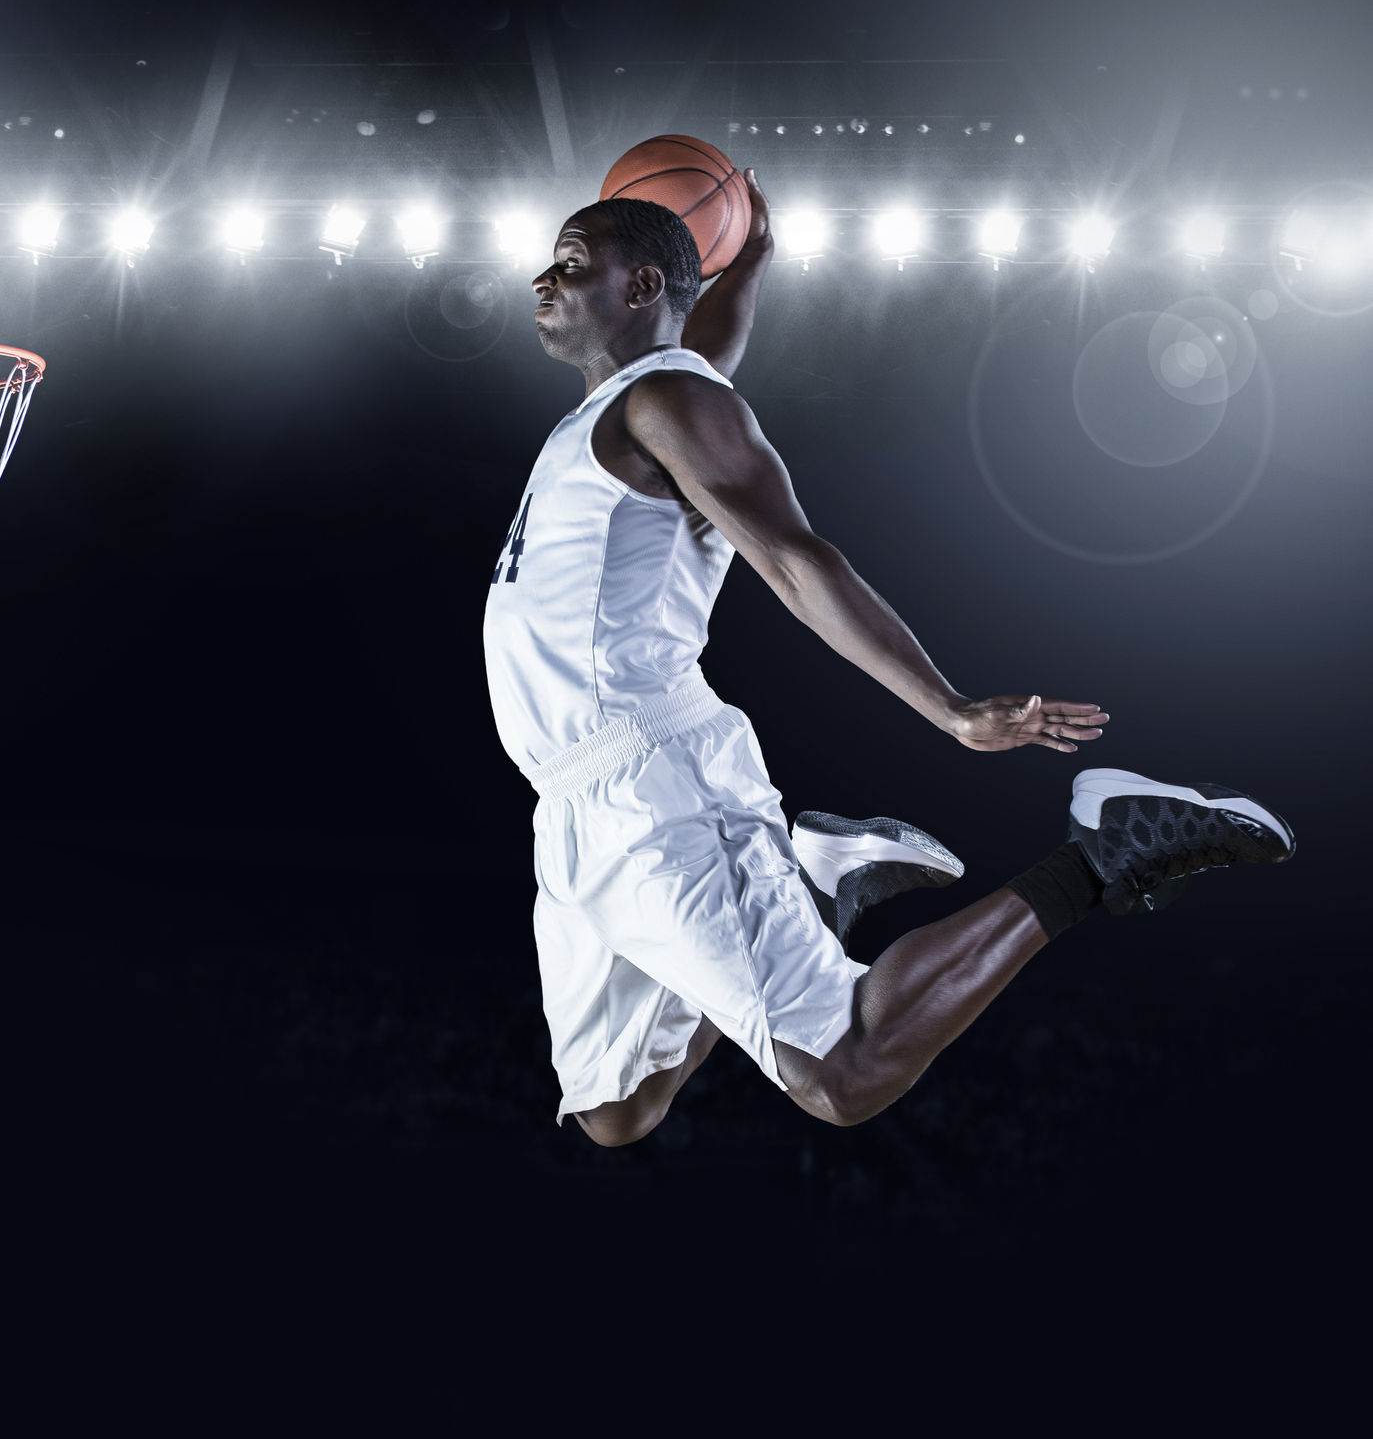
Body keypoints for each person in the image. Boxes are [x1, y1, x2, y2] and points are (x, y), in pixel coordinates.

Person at [483, 175, 1295, 1145]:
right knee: (615, 1112)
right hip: (569, 797)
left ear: (640, 283)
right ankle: (822, 881)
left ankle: (1102, 851)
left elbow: (792, 559)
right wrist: (748, 265)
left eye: (571, 262)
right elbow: (704, 346)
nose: (543, 276)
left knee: (842, 1072)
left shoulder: (667, 401)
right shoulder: (627, 405)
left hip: (651, 780)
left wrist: (946, 708)